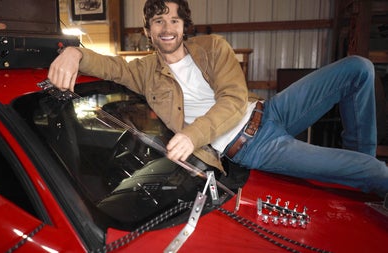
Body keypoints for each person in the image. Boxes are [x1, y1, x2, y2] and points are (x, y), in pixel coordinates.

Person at [48, 0, 388, 199]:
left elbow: (234, 97)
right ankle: (365, 177)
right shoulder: (142, 71)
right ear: (148, 31)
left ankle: (360, 183)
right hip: (253, 146)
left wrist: (192, 134)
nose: (167, 27)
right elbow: (107, 65)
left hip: (271, 110)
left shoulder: (213, 47)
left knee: (358, 68)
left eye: (174, 19)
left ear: (185, 25)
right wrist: (74, 53)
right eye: (158, 21)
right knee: (377, 172)